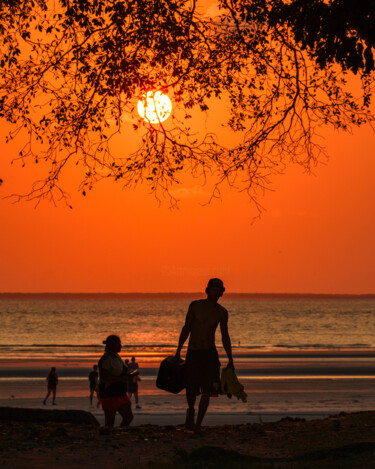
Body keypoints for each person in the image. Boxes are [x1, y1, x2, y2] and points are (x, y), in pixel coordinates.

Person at [174, 278, 234, 429]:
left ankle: (198, 424)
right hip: (193, 352)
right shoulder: (195, 305)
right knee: (191, 388)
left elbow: (225, 336)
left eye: (218, 290)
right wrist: (178, 350)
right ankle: (191, 411)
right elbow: (186, 328)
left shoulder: (222, 312)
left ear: (221, 293)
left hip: (209, 354)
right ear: (207, 290)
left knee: (207, 390)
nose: (215, 293)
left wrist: (230, 358)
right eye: (213, 289)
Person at [98, 335, 133, 427]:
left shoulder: (117, 357)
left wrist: (129, 373)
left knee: (128, 417)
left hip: (120, 392)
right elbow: (104, 378)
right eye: (119, 344)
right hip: (109, 393)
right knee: (110, 422)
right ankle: (108, 438)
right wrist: (122, 378)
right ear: (113, 345)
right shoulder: (106, 360)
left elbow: (120, 371)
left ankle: (119, 433)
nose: (121, 346)